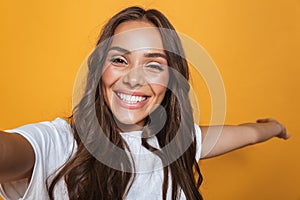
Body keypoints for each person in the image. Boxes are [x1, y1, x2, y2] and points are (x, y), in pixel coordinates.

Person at [0, 6, 289, 200]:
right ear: (100, 70)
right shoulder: (61, 145)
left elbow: (247, 133)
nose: (134, 79)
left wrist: (274, 127)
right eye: (119, 60)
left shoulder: (176, 142)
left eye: (153, 65)